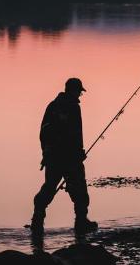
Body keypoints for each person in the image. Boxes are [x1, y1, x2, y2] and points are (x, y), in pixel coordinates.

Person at [30, 77, 98, 235]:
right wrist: (79, 152)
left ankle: (37, 221)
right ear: (73, 91)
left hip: (54, 157)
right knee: (79, 190)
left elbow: (43, 133)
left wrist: (46, 152)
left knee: (49, 188)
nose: (80, 96)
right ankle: (81, 223)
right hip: (69, 158)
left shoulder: (52, 106)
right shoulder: (73, 108)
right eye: (79, 92)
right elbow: (75, 134)